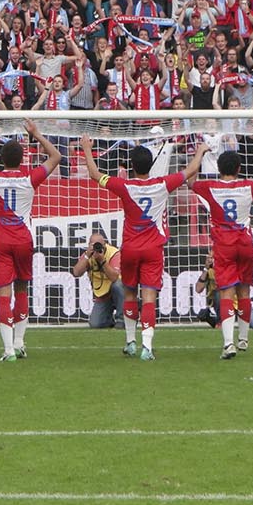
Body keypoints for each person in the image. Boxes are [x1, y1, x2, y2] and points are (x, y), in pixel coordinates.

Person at [77, 137, 193, 361]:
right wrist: (201, 151)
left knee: (130, 292)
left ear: (131, 166)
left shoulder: (125, 185)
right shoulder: (162, 184)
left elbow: (93, 174)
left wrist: (86, 149)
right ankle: (146, 347)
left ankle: (130, 342)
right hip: (153, 249)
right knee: (148, 297)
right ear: (151, 165)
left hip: (130, 248)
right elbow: (188, 171)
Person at [0, 117, 62, 361]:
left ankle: (9, 350)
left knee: (3, 292)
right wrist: (37, 134)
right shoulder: (30, 178)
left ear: (1, 160)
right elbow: (56, 157)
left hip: (0, 240)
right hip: (23, 240)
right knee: (21, 288)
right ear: (22, 159)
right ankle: (19, 343)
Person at [190, 143, 253, 359]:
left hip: (224, 245)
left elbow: (190, 181)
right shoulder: (248, 186)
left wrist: (199, 153)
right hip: (245, 243)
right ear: (239, 168)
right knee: (244, 290)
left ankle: (229, 344)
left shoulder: (210, 187)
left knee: (226, 292)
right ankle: (243, 339)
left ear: (218, 168)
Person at [71, 233, 123, 327]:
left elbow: (115, 278)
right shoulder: (88, 255)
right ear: (89, 245)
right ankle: (108, 319)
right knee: (96, 324)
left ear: (105, 244)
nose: (97, 248)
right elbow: (76, 273)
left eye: (99, 245)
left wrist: (102, 260)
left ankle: (122, 319)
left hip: (119, 292)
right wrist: (87, 256)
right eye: (93, 245)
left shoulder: (114, 253)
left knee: (118, 285)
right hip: (103, 295)